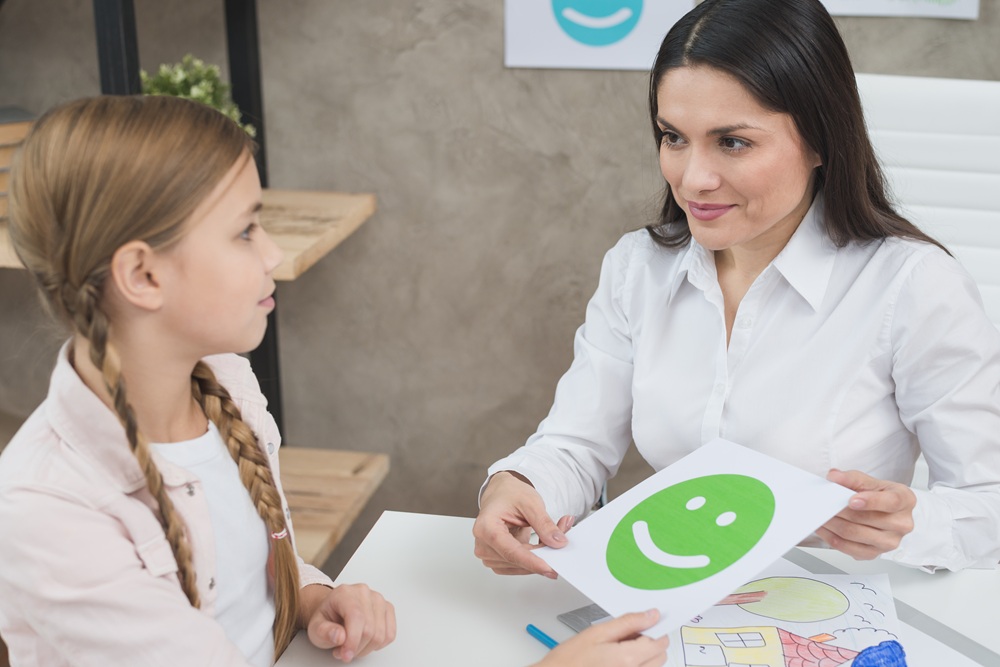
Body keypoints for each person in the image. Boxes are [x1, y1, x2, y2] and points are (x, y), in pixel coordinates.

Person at [0, 95, 667, 667]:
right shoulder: (46, 511)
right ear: (142, 275)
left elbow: (241, 581)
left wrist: (310, 598)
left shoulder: (224, 384)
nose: (272, 255)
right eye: (244, 232)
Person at [474, 0, 1000, 584]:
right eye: (673, 137)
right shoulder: (637, 268)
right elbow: (576, 444)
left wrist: (911, 524)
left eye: (733, 143)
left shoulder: (914, 286)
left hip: (834, 604)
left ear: (822, 140)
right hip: (676, 598)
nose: (692, 179)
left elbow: (988, 504)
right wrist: (516, 484)